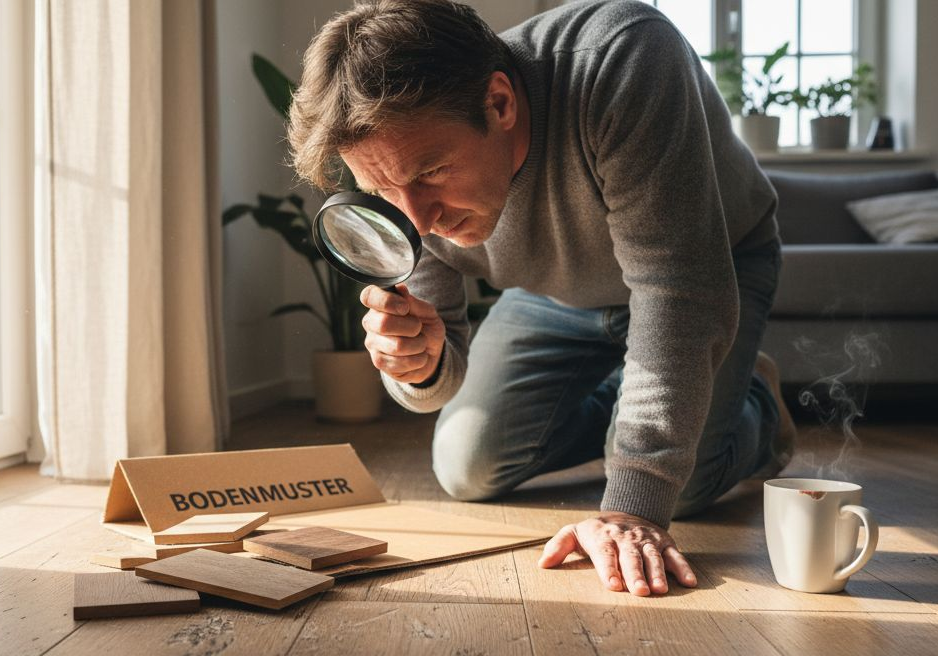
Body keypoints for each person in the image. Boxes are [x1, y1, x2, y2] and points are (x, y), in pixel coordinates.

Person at [286, 0, 795, 597]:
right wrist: (417, 365)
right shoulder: (396, 165)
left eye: (431, 173)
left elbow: (676, 293)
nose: (415, 222)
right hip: (557, 292)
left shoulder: (621, 57)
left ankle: (756, 401)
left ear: (499, 103)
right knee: (466, 464)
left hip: (705, 270)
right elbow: (437, 374)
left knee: (684, 487)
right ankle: (653, 402)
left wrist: (634, 504)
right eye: (381, 189)